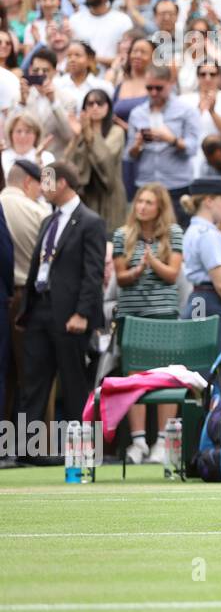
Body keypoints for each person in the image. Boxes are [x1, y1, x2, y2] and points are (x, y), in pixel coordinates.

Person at [15, 162, 106, 433]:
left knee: (73, 382)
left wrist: (82, 313)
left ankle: (80, 446)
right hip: (39, 310)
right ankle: (26, 447)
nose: (42, 188)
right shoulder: (48, 220)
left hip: (69, 315)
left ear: (62, 182)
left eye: (47, 181)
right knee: (33, 381)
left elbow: (93, 272)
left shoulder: (91, 221)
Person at [112, 183, 184, 465]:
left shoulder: (173, 234)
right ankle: (139, 441)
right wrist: (136, 270)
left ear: (159, 208)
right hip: (133, 315)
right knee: (134, 377)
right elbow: (120, 276)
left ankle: (164, 441)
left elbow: (173, 274)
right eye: (139, 201)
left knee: (165, 376)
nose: (141, 206)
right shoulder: (122, 235)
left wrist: (151, 262)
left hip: (163, 314)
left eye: (148, 202)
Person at [126, 64, 201, 225]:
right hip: (146, 185)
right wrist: (137, 144)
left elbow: (193, 147)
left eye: (159, 88)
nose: (153, 92)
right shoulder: (137, 113)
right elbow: (129, 155)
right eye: (149, 87)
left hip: (176, 185)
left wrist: (171, 139)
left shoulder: (186, 110)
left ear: (171, 83)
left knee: (177, 237)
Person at [179, 177, 221, 342]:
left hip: (201, 300)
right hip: (214, 302)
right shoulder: (207, 234)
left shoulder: (194, 230)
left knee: (200, 357)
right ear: (209, 201)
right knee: (216, 361)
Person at [63, 88, 125, 229]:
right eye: (90, 104)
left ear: (108, 106)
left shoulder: (116, 131)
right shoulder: (81, 131)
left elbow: (105, 158)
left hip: (109, 194)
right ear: (84, 108)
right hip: (86, 195)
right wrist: (76, 137)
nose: (95, 107)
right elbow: (67, 163)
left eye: (100, 103)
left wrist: (89, 134)